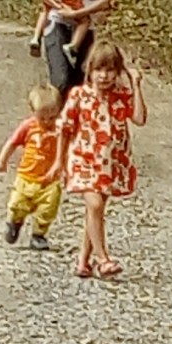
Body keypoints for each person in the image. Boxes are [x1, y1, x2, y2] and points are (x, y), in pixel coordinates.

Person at [58, 36, 146, 280]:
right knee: (95, 205)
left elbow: (139, 118)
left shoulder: (120, 97)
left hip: (109, 163)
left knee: (94, 211)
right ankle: (103, 259)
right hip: (84, 161)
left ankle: (83, 261)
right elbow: (64, 129)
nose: (104, 76)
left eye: (110, 70)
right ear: (89, 69)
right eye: (99, 70)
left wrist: (135, 85)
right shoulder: (79, 96)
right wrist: (59, 162)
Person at [0, 83, 65, 247]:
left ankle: (38, 235)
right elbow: (12, 142)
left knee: (48, 209)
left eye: (52, 117)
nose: (47, 122)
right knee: (18, 204)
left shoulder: (61, 128)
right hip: (26, 176)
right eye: (42, 118)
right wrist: (2, 160)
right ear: (33, 112)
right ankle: (14, 222)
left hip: (49, 180)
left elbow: (68, 147)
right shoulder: (28, 126)